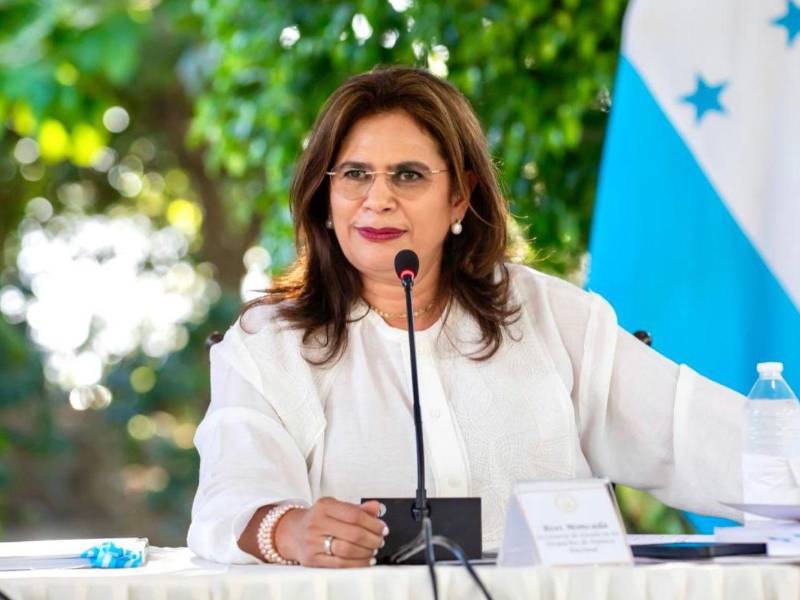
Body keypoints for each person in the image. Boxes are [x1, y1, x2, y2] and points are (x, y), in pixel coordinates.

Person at [187, 66, 746, 567]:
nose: (377, 199)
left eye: (408, 175)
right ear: (325, 196)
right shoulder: (272, 345)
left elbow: (698, 437)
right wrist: (289, 530)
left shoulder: (551, 315)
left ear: (459, 196)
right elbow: (230, 499)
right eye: (354, 174)